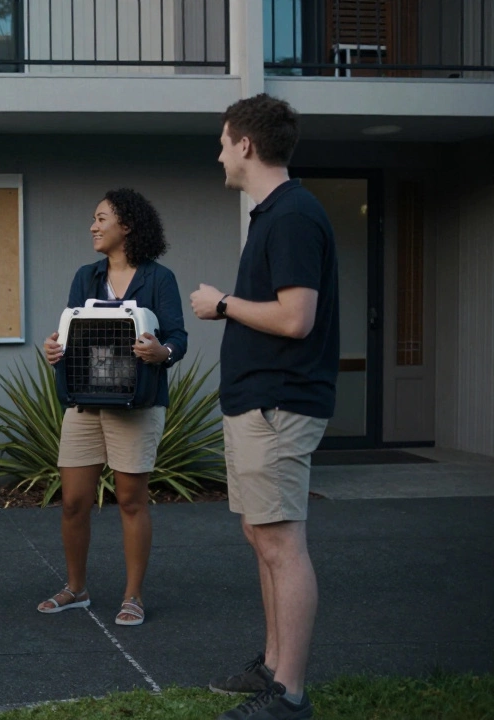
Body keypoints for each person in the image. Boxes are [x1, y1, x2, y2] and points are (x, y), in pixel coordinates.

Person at [191, 93, 338, 720]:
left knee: (282, 543)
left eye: (224, 142)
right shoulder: (273, 214)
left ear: (245, 144)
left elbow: (296, 318)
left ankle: (290, 695)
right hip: (256, 404)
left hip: (279, 405)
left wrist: (221, 304)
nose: (220, 154)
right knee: (261, 535)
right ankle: (273, 668)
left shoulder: (293, 215)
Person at [36, 188, 187, 627]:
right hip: (84, 402)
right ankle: (76, 588)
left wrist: (165, 353)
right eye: (94, 218)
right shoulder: (86, 275)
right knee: (73, 502)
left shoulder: (159, 278)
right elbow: (70, 330)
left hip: (136, 405)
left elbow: (178, 337)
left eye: (102, 218)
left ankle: (133, 595)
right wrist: (54, 346)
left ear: (128, 225)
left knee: (130, 501)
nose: (93, 226)